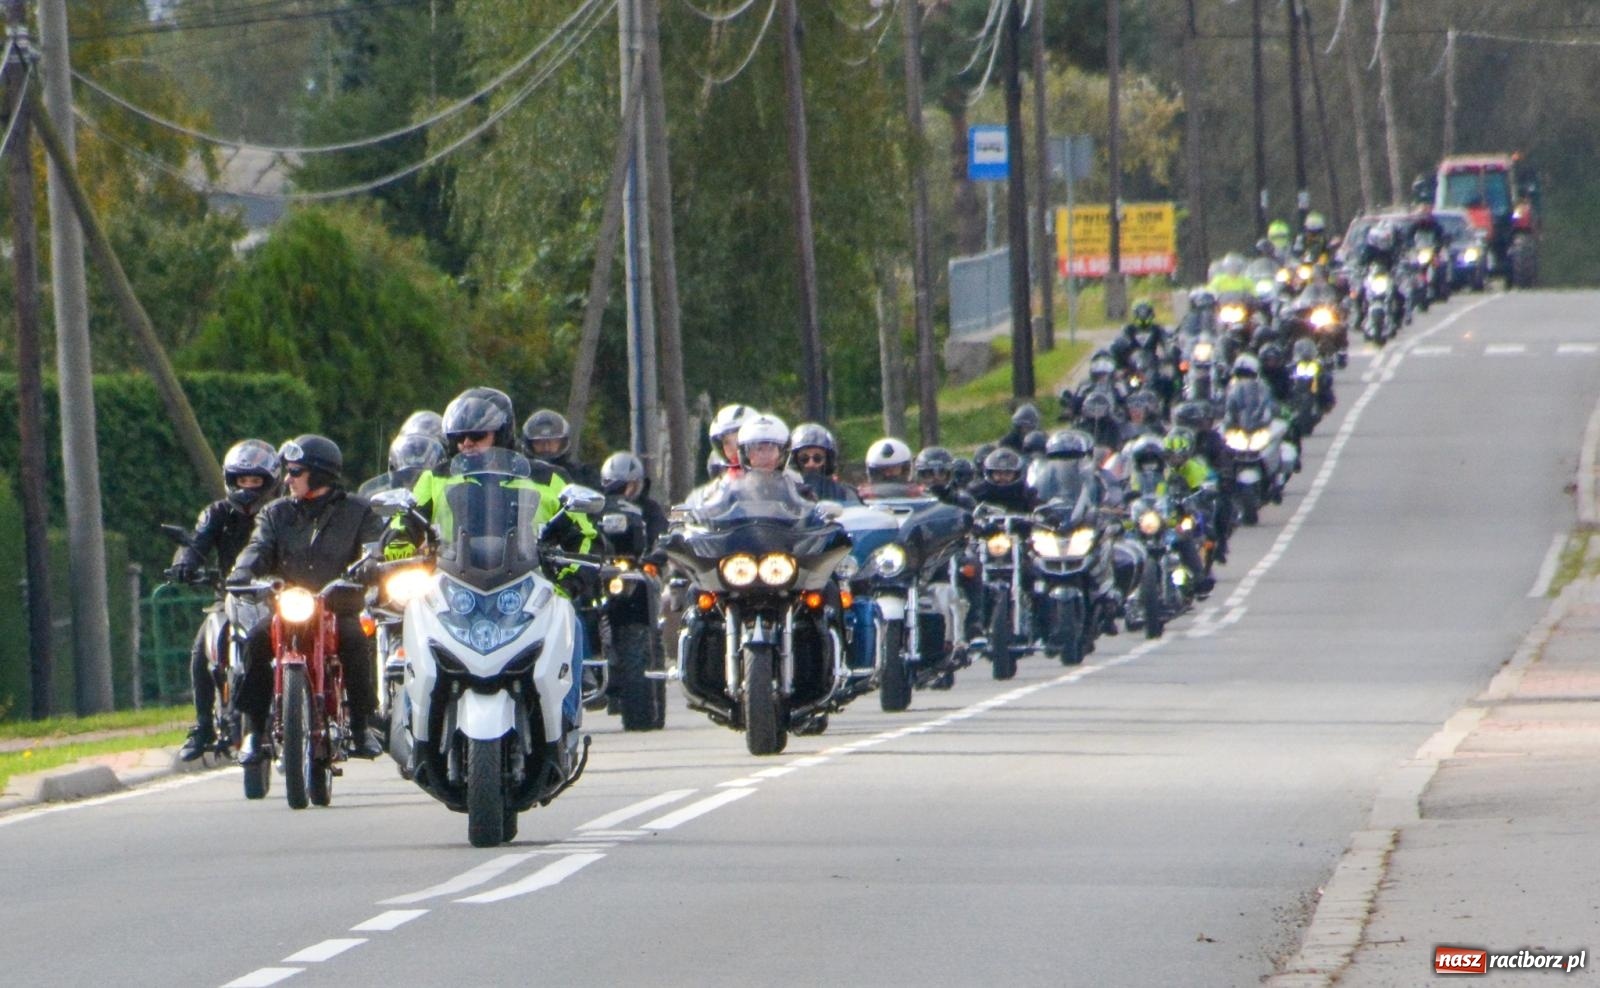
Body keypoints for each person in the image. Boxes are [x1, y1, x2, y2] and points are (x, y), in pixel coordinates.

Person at [229, 435, 385, 763]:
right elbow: (258, 546)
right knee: (257, 639)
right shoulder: (275, 513)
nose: (288, 479)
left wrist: (371, 565)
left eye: (295, 471)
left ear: (320, 473)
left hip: (338, 606)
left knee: (356, 640)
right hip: (288, 606)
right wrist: (243, 570)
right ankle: (254, 731)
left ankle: (361, 726)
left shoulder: (358, 511)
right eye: (288, 471)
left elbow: (374, 548)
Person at [169, 439, 281, 761]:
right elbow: (197, 542)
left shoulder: (282, 512)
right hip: (229, 597)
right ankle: (203, 725)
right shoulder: (217, 513)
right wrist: (185, 563)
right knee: (201, 646)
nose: (248, 488)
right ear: (231, 481)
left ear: (270, 482)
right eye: (242, 480)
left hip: (278, 597)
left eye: (255, 481)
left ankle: (311, 710)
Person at [521, 409, 602, 490]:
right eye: (539, 442)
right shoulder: (520, 473)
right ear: (529, 444)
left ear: (563, 442)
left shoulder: (584, 474)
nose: (546, 447)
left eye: (552, 442)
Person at [358, 432, 447, 498]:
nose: (413, 484)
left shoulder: (446, 493)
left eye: (419, 478)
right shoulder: (384, 497)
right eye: (407, 477)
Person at [790, 422, 860, 504]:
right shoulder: (785, 492)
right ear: (795, 461)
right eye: (804, 459)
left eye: (817, 458)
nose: (811, 464)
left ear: (828, 461)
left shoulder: (845, 493)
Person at [969, 447, 1036, 514]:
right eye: (998, 473)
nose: (1003, 477)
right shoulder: (977, 493)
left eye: (1008, 473)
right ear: (990, 473)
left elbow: (1037, 512)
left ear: (1016, 474)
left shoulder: (1026, 493)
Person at [914, 446, 976, 510]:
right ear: (920, 476)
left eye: (941, 473)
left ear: (949, 475)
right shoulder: (914, 500)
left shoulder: (961, 501)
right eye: (928, 474)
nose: (936, 479)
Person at [707, 403, 756, 476]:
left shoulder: (772, 474)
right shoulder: (720, 474)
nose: (733, 448)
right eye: (726, 442)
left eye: (738, 440)